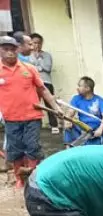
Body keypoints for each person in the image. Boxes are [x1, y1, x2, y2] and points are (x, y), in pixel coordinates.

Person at [0, 35, 60, 187]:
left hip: (32, 116)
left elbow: (43, 89)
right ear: (0, 51)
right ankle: (20, 179)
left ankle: (34, 178)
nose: (10, 52)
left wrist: (56, 108)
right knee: (14, 150)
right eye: (5, 49)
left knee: (32, 146)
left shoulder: (29, 68)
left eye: (13, 49)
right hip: (11, 118)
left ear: (17, 50)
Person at [64, 76, 103, 146]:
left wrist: (100, 129)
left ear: (87, 88)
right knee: (69, 126)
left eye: (80, 86)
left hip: (96, 126)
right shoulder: (76, 98)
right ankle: (69, 150)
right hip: (83, 126)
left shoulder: (100, 100)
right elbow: (70, 112)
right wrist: (67, 121)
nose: (77, 88)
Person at [30, 33, 58, 135]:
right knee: (35, 106)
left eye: (39, 43)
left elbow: (48, 68)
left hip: (46, 82)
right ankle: (37, 126)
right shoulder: (27, 56)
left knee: (49, 104)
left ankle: (54, 125)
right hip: (33, 84)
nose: (37, 45)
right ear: (31, 43)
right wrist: (38, 64)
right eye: (34, 43)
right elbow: (29, 68)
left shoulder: (47, 55)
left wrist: (37, 62)